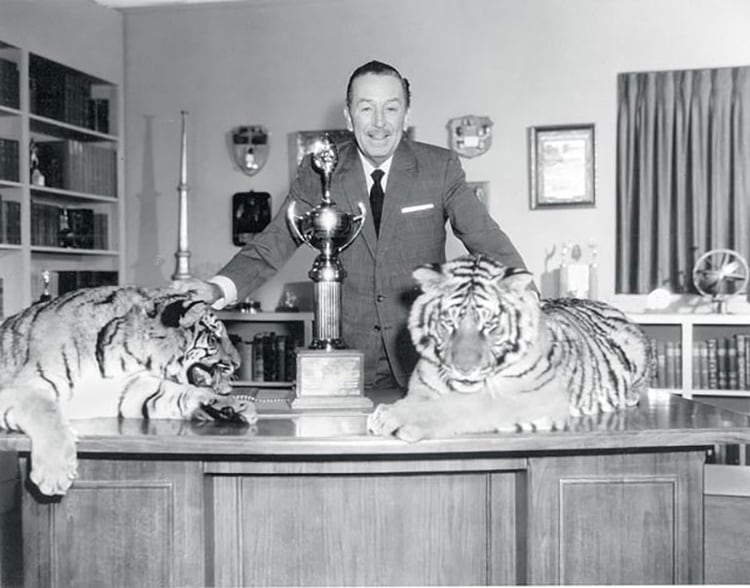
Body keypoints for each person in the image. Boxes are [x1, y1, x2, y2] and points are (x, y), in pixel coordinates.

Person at [180, 60, 529, 390]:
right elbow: (277, 240)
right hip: (343, 359)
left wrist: (529, 301)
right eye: (366, 108)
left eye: (391, 108)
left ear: (407, 114)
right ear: (349, 117)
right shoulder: (320, 170)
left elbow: (486, 239)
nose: (379, 123)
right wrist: (218, 288)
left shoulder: (440, 168)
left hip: (423, 359)